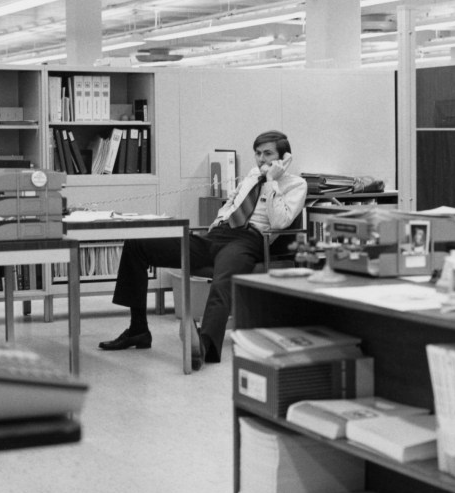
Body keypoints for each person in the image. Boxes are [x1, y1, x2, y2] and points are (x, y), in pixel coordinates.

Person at [98, 130, 308, 367]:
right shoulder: (251, 175)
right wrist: (218, 221)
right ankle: (138, 330)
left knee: (222, 281)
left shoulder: (296, 185)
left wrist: (272, 181)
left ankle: (205, 346)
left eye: (268, 153)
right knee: (138, 245)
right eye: (258, 154)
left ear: (284, 157)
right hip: (216, 235)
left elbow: (280, 221)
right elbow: (232, 201)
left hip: (248, 241)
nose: (261, 159)